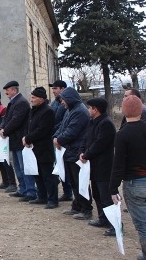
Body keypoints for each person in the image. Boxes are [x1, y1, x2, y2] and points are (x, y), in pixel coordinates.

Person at [110, 95, 146, 260]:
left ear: (124, 112)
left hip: (134, 182)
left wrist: (113, 188)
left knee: (143, 224)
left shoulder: (123, 134)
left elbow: (118, 165)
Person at [53, 87, 92, 219]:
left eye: (63, 99)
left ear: (69, 99)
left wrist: (59, 140)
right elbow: (62, 127)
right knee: (74, 182)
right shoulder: (70, 110)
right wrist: (56, 137)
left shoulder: (80, 111)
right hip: (69, 151)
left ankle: (86, 209)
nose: (62, 102)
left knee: (80, 182)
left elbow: (72, 131)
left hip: (76, 151)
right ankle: (77, 206)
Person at [79, 97, 116, 235]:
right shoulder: (92, 122)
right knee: (97, 195)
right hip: (93, 166)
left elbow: (99, 144)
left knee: (106, 197)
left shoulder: (106, 124)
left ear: (96, 109)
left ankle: (115, 225)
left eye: (90, 108)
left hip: (104, 167)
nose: (88, 110)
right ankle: (103, 219)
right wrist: (81, 152)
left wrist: (86, 154)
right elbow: (86, 139)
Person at [0, 81, 36, 201]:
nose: (6, 92)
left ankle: (30, 191)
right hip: (14, 140)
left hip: (20, 139)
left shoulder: (21, 103)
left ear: (14, 90)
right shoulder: (13, 102)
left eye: (8, 90)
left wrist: (5, 131)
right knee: (18, 167)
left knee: (24, 167)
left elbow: (16, 120)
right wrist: (1, 128)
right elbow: (6, 118)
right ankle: (22, 189)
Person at [22, 87, 58, 209]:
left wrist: (28, 138)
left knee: (48, 175)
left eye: (33, 97)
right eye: (31, 97)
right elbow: (30, 127)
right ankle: (42, 196)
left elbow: (42, 130)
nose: (31, 100)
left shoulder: (48, 111)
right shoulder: (34, 110)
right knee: (37, 174)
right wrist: (27, 138)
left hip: (44, 148)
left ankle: (52, 199)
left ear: (41, 99)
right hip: (34, 148)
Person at [49, 80, 73, 202]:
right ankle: (66, 191)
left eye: (56, 88)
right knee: (60, 165)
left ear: (63, 89)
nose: (53, 91)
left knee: (65, 166)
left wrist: (58, 135)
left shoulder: (67, 105)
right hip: (55, 137)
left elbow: (63, 123)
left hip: (62, 139)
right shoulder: (54, 103)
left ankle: (69, 192)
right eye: (53, 89)